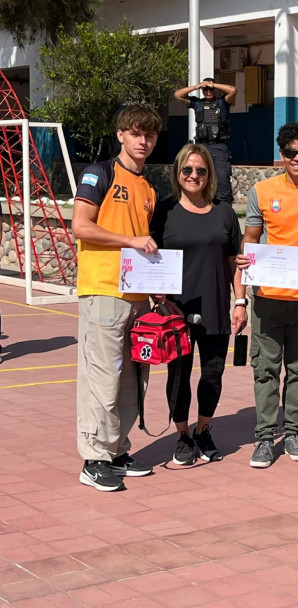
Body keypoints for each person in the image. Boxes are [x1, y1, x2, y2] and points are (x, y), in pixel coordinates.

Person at [72, 104, 165, 492]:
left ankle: (116, 450)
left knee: (132, 379)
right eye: (136, 133)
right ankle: (94, 458)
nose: (143, 141)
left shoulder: (148, 188)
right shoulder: (100, 173)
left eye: (150, 135)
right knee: (103, 376)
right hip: (104, 290)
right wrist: (130, 240)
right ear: (121, 135)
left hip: (138, 296)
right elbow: (81, 226)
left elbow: (145, 246)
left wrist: (158, 288)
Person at [237, 122, 298, 468]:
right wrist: (241, 285)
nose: (297, 158)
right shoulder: (262, 191)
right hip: (266, 298)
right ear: (282, 155)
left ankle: (293, 431)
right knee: (265, 370)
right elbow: (250, 239)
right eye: (291, 152)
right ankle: (265, 437)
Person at [150, 144, 246, 466]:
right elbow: (149, 259)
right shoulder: (164, 211)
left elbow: (234, 262)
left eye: (201, 170)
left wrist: (240, 302)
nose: (194, 176)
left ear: (209, 175)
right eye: (188, 170)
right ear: (178, 172)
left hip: (216, 307)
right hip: (176, 311)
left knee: (213, 375)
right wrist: (159, 299)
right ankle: (182, 435)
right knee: (178, 375)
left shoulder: (224, 212)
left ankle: (203, 430)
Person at [174, 77, 237, 206]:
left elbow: (233, 90)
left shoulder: (222, 102)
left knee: (223, 180)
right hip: (202, 147)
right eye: (206, 89)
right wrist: (196, 86)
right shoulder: (197, 103)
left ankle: (226, 211)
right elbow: (177, 95)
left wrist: (214, 84)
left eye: (211, 89)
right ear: (202, 90)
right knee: (201, 177)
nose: (208, 91)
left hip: (219, 147)